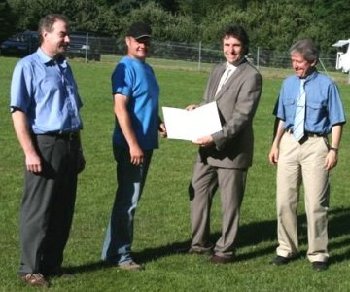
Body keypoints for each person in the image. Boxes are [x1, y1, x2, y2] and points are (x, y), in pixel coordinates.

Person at [10, 14, 85, 287]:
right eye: (63, 34)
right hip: (45, 144)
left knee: (63, 209)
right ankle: (29, 267)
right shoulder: (27, 66)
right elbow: (19, 113)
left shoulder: (64, 66)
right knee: (38, 209)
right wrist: (30, 152)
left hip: (69, 143)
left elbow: (74, 111)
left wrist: (79, 149)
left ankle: (52, 264)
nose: (68, 39)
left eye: (67, 34)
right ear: (46, 34)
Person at [187, 24, 262, 264]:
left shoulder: (252, 76)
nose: (231, 50)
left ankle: (225, 250)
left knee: (230, 204)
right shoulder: (217, 69)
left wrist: (216, 137)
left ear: (244, 47)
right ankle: (199, 243)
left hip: (232, 150)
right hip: (207, 148)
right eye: (227, 45)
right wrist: (196, 109)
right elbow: (209, 102)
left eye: (236, 45)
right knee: (197, 192)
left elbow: (242, 117)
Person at [268, 39, 346, 271]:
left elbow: (337, 120)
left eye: (299, 62)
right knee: (284, 200)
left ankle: (318, 253)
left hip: (316, 145)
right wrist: (275, 145)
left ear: (312, 62)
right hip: (289, 143)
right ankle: (286, 248)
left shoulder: (327, 85)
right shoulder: (287, 84)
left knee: (315, 203)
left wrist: (333, 149)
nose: (295, 66)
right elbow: (281, 118)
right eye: (293, 61)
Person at [101, 21, 166, 271]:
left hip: (145, 144)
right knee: (129, 200)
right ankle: (121, 254)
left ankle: (112, 251)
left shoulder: (147, 69)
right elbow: (120, 107)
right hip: (132, 147)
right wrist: (133, 144)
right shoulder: (124, 68)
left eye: (146, 40)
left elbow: (145, 105)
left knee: (128, 198)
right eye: (138, 40)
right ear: (127, 40)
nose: (143, 44)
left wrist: (159, 124)